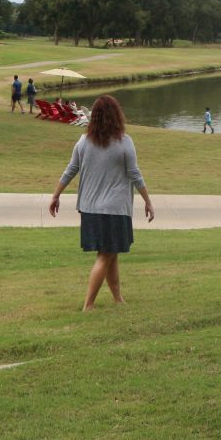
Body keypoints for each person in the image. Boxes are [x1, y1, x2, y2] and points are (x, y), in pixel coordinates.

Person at [49, 95, 154, 311]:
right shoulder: (124, 142)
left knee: (111, 253)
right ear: (117, 115)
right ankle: (88, 305)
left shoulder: (83, 141)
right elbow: (135, 174)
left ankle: (118, 299)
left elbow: (71, 170)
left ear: (94, 116)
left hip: (89, 209)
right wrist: (147, 201)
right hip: (114, 208)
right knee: (106, 255)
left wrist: (55, 195)